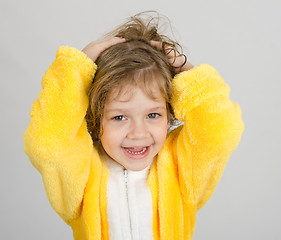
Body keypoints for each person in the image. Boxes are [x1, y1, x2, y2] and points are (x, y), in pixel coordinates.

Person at [23, 12, 244, 240]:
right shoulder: (82, 173)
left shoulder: (181, 169)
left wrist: (186, 70)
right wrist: (75, 68)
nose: (139, 133)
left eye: (153, 114)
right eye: (119, 117)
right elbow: (47, 143)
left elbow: (221, 132)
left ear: (169, 112)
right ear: (96, 118)